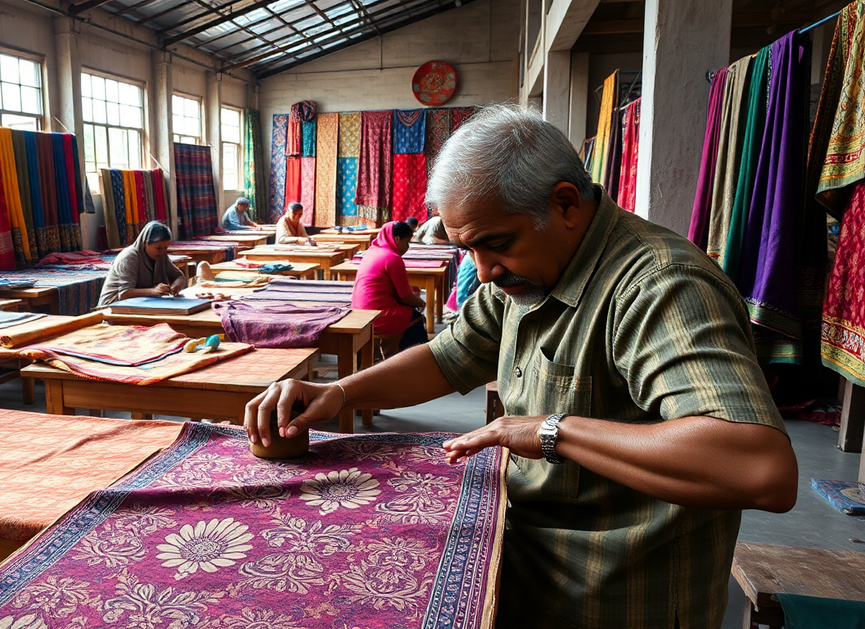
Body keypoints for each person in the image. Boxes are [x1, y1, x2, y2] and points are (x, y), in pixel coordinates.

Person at [244, 105, 797, 629]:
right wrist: (338, 394)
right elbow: (448, 357)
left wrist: (549, 431)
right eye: (468, 251)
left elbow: (757, 468)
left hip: (617, 593)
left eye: (494, 244)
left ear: (565, 204)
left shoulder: (660, 287)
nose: (484, 272)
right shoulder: (526, 271)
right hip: (528, 553)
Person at [351, 221, 428, 357]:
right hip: (379, 315)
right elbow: (405, 296)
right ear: (398, 239)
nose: (408, 247)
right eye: (407, 242)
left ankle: (384, 353)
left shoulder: (371, 252)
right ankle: (404, 356)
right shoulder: (393, 258)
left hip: (359, 309)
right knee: (415, 317)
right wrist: (421, 303)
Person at [97, 221, 187, 306]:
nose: (162, 252)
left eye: (165, 248)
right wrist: (153, 291)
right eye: (159, 248)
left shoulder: (161, 256)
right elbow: (124, 294)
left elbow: (179, 276)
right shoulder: (129, 258)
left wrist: (176, 286)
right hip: (113, 306)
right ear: (146, 243)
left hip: (142, 303)